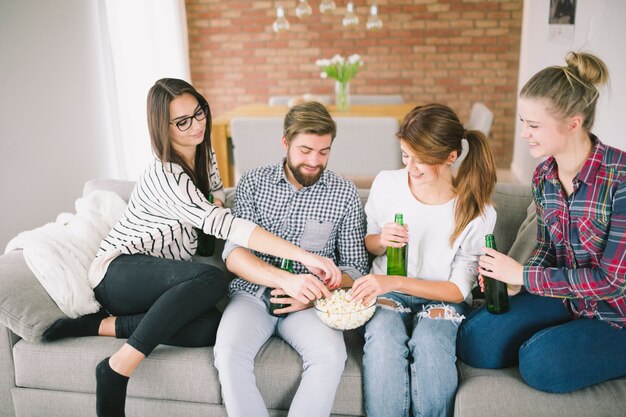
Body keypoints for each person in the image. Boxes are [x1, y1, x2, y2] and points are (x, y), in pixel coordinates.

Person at [42, 78, 341, 417]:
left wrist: (212, 202)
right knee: (212, 279)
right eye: (182, 122)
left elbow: (215, 196)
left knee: (211, 327)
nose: (196, 126)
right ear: (162, 128)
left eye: (198, 113)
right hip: (120, 272)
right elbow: (226, 225)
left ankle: (97, 325)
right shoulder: (167, 176)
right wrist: (302, 256)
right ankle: (117, 368)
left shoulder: (204, 152)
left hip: (166, 280)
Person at [456, 51, 626, 394]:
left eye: (533, 125)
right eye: (524, 122)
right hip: (564, 298)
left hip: (616, 314)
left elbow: (612, 282)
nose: (524, 135)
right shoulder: (544, 176)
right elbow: (548, 246)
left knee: (540, 363)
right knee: (475, 342)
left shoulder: (619, 179)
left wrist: (522, 275)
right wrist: (518, 283)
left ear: (573, 123)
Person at [213, 101, 369, 417]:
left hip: (311, 305)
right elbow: (234, 254)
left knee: (329, 355)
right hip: (251, 295)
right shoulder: (254, 183)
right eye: (305, 150)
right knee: (228, 353)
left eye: (324, 152)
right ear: (285, 143)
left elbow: (355, 267)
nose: (315, 161)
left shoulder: (344, 194)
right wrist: (287, 280)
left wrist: (316, 293)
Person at [349, 103, 498, 417]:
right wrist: (381, 241)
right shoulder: (387, 183)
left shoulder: (477, 211)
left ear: (450, 157)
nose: (411, 167)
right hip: (387, 294)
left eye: (423, 159)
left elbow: (458, 290)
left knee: (431, 345)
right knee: (384, 343)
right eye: (406, 154)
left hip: (439, 297)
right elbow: (370, 244)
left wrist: (395, 281)